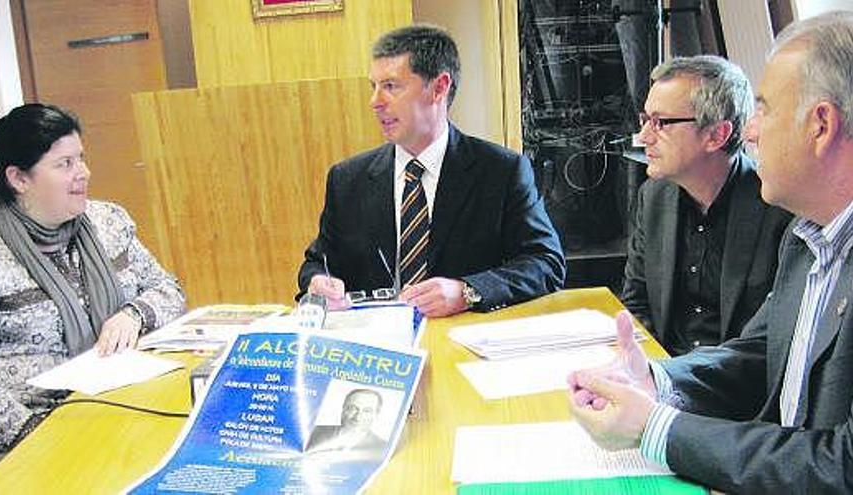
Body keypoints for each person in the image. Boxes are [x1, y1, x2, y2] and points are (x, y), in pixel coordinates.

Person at [569, 11, 853, 493]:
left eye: (763, 110)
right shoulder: (808, 239)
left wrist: (656, 428)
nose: (752, 131)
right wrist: (655, 380)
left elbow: (842, 467)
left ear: (821, 125)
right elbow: (757, 354)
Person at [0, 104, 186, 475]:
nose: (83, 173)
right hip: (29, 434)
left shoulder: (108, 222)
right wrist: (43, 432)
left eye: (81, 159)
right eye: (64, 164)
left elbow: (168, 289)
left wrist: (132, 314)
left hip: (125, 404)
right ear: (19, 179)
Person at [297, 25, 565, 318]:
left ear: (439, 87)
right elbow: (318, 262)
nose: (375, 102)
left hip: (463, 342)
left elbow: (546, 263)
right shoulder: (347, 179)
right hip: (379, 347)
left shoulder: (501, 171)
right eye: (373, 86)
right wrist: (317, 282)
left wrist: (467, 292)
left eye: (391, 86)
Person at [621, 55, 792, 356]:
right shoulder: (654, 197)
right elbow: (637, 302)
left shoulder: (779, 208)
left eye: (661, 123)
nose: (644, 137)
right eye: (645, 120)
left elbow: (770, 343)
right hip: (663, 373)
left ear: (717, 135)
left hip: (736, 388)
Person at [306, 388, 388, 457]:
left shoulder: (382, 447)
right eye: (353, 408)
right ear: (343, 409)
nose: (357, 417)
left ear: (376, 414)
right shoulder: (314, 431)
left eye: (367, 411)